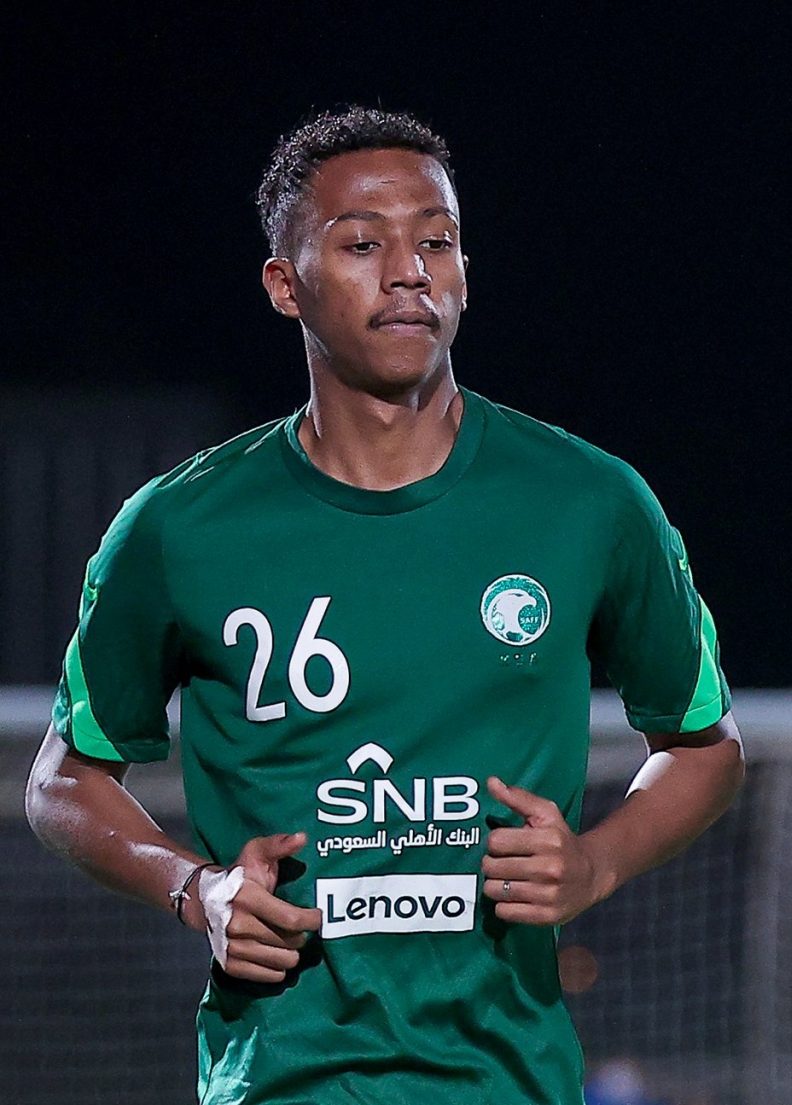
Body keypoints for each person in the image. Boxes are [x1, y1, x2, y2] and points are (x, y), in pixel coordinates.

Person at [22, 107, 744, 1104]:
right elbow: (64, 779)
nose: (410, 272)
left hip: (509, 1081)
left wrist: (596, 863)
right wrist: (198, 887)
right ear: (286, 284)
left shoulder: (589, 502)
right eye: (363, 244)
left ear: (464, 273)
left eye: (436, 242)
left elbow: (706, 747)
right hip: (280, 1082)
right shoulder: (179, 527)